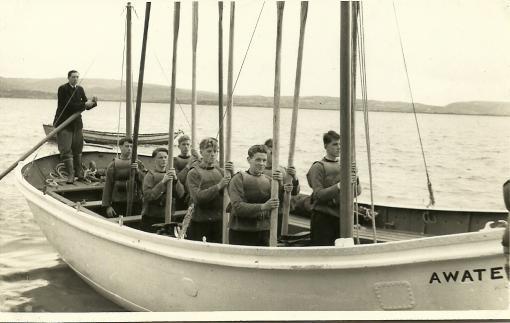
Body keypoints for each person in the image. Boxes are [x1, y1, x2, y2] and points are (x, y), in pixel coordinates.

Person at [228, 144, 293, 247]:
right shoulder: (238, 179)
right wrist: (263, 206)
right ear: (249, 159)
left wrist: (282, 185)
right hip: (242, 232)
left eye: (264, 160)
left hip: (264, 231)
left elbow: (278, 205)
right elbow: (237, 207)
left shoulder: (269, 180)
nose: (261, 163)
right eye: (258, 160)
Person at [306, 130, 361, 246]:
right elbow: (318, 195)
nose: (339, 147)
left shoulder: (344, 165)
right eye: (335, 144)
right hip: (323, 218)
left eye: (340, 144)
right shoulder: (318, 167)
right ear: (326, 146)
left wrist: (355, 177)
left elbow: (357, 192)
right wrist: (340, 185)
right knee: (322, 252)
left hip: (341, 217)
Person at [53, 70, 98, 183]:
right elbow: (68, 106)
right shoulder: (62, 89)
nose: (76, 79)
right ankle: (71, 175)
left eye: (77, 77)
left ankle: (79, 172)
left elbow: (85, 106)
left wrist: (93, 103)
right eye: (73, 77)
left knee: (77, 149)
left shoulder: (80, 89)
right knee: (66, 150)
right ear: (68, 78)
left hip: (77, 125)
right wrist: (84, 104)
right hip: (64, 124)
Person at [186, 137, 233, 243]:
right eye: (209, 151)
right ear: (201, 152)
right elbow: (198, 198)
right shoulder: (194, 173)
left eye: (215, 151)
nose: (213, 154)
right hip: (200, 222)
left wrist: (232, 173)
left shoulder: (221, 172)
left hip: (219, 222)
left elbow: (232, 194)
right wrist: (218, 186)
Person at [141, 147, 186, 233]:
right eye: (160, 157)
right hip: (152, 217)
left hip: (168, 215)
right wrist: (163, 183)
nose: (164, 160)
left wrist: (176, 180)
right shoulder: (150, 175)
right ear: (154, 160)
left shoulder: (171, 174)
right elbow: (148, 196)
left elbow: (181, 194)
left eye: (165, 157)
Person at [263, 138, 300, 237]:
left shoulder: (283, 170)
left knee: (278, 237)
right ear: (265, 150)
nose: (273, 152)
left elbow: (294, 192)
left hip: (279, 212)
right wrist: (279, 184)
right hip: (263, 213)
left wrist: (294, 178)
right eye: (271, 148)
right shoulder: (260, 170)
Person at [101, 137, 147, 218]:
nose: (129, 149)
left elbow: (144, 182)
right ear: (120, 147)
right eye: (127, 146)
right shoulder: (113, 165)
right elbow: (108, 186)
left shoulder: (138, 164)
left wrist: (137, 171)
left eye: (131, 146)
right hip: (118, 202)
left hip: (135, 202)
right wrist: (107, 206)